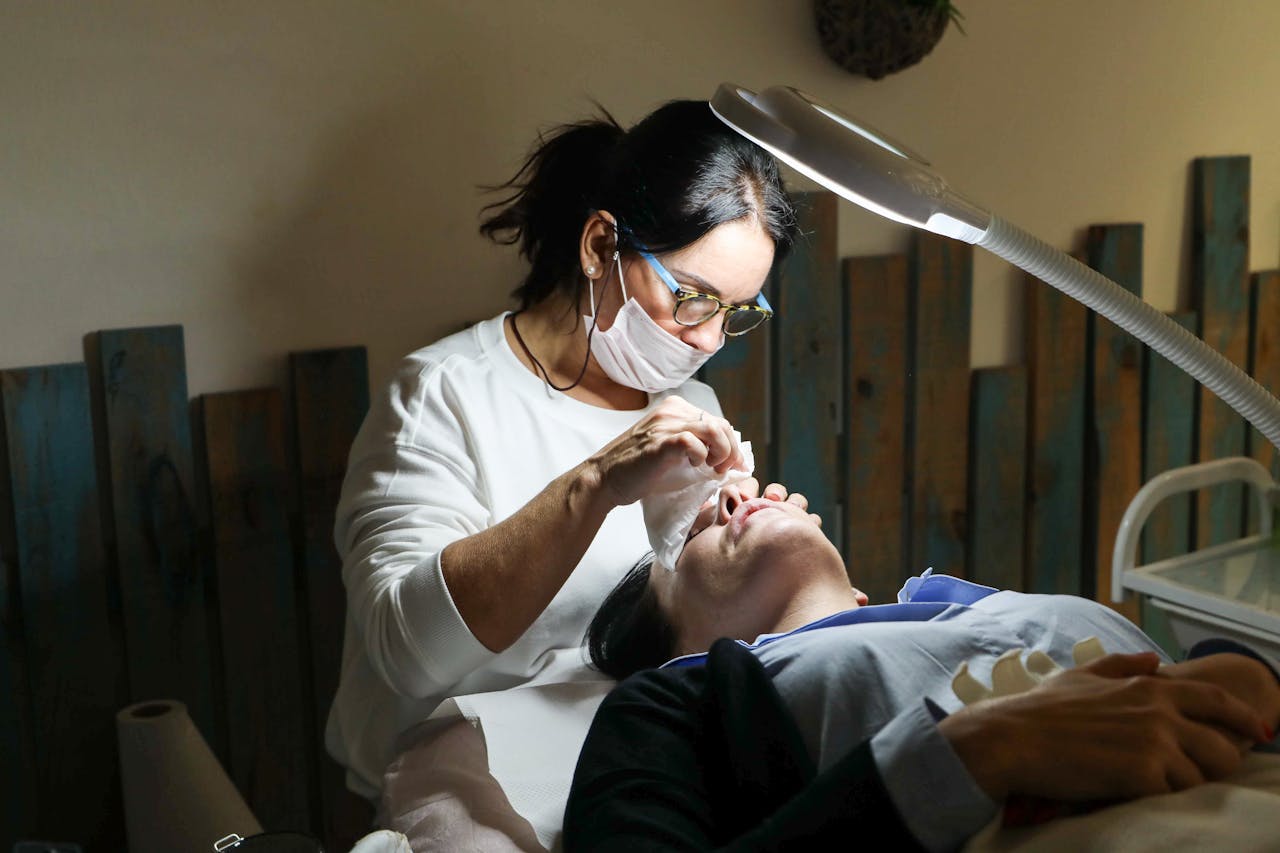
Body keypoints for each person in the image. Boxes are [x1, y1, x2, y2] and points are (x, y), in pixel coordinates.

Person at [323, 98, 805, 846]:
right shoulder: (442, 395)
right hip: (462, 785)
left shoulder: (690, 402)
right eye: (691, 298)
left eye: (739, 312)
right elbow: (407, 656)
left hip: (635, 761)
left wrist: (745, 540)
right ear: (600, 243)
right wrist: (593, 485)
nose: (709, 338)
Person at [564, 486, 1280, 852]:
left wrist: (1240, 669)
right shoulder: (675, 703)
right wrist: (976, 751)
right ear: (682, 647)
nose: (738, 493)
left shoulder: (985, 608)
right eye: (692, 532)